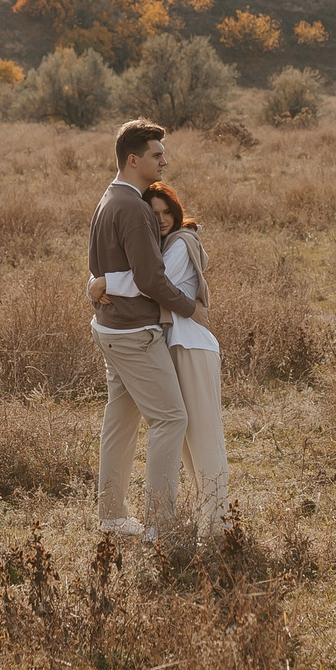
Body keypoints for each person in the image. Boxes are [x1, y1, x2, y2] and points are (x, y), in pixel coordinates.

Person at [91, 181, 229, 535]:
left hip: (192, 347)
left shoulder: (181, 243)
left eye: (168, 211)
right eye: (154, 214)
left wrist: (103, 281)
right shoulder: (160, 243)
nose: (162, 219)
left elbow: (151, 281)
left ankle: (214, 528)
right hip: (172, 346)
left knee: (204, 440)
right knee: (186, 445)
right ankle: (202, 524)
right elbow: (142, 269)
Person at [87, 119, 198, 540]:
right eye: (156, 155)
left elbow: (104, 269)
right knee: (171, 418)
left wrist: (98, 286)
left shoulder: (107, 198)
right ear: (133, 160)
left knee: (121, 419)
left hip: (110, 328)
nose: (164, 161)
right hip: (134, 332)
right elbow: (150, 278)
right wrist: (190, 307)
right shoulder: (133, 207)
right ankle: (159, 525)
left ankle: (113, 516)